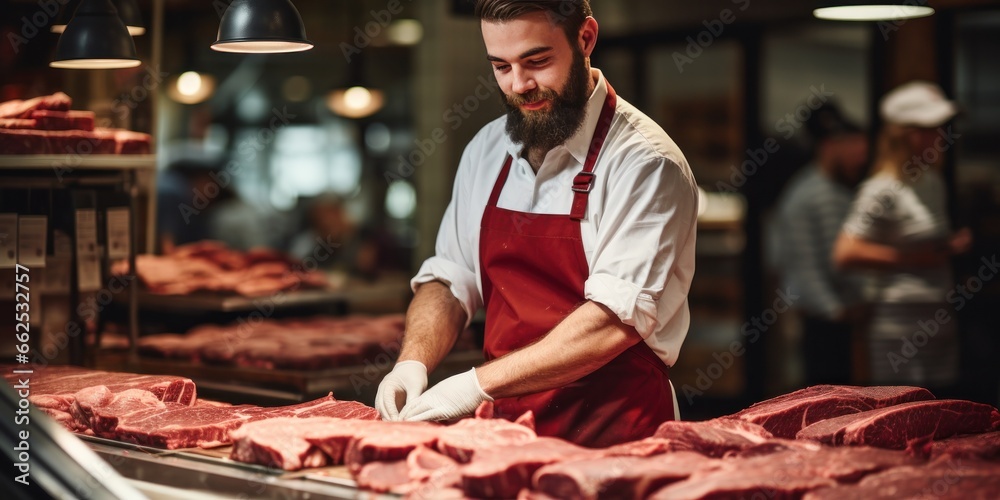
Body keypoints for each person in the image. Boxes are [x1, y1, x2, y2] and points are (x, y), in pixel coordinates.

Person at [374, 0, 698, 447]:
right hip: (507, 435)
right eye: (500, 67)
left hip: (617, 436)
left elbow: (610, 322)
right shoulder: (486, 150)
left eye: (537, 61)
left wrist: (474, 385)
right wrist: (412, 362)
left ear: (585, 38)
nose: (519, 85)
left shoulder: (646, 163)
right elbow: (451, 277)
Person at [833, 81, 971, 393]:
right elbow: (845, 252)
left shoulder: (932, 182)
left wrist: (948, 247)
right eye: (932, 129)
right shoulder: (881, 188)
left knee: (941, 421)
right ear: (908, 135)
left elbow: (927, 243)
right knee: (901, 420)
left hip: (938, 318)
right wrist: (911, 259)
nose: (940, 137)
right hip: (899, 329)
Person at [773, 101, 869, 385]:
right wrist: (838, 311)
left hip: (845, 317)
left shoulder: (840, 190)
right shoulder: (806, 195)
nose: (861, 156)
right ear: (830, 145)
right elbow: (802, 266)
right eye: (855, 146)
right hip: (823, 320)